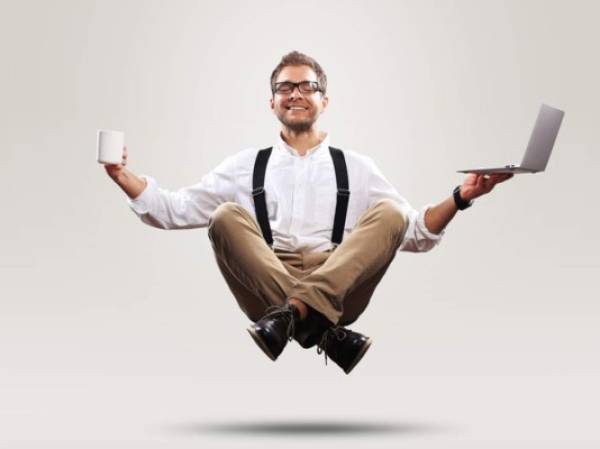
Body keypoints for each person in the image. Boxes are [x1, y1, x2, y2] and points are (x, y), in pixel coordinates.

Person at [104, 51, 512, 374]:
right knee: (225, 216)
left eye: (306, 86)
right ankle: (322, 330)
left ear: (324, 100)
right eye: (285, 87)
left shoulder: (356, 167)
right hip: (265, 284)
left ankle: (295, 316)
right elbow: (172, 210)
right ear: (272, 102)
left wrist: (462, 195)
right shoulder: (245, 165)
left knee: (391, 213)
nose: (295, 93)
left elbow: (415, 233)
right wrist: (121, 174)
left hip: (340, 284)